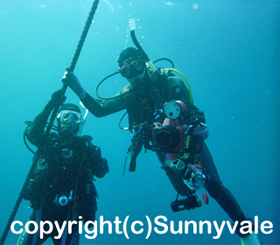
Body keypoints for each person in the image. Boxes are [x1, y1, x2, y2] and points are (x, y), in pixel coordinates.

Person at [62, 47, 260, 244]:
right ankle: (194, 191)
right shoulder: (129, 94)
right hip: (160, 145)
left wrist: (199, 125)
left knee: (214, 186)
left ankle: (246, 232)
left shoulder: (168, 80)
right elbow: (99, 109)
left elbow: (192, 110)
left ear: (144, 62)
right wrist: (77, 88)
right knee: (183, 190)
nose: (133, 75)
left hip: (187, 141)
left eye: (136, 66)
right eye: (126, 71)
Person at [17, 90, 109, 245]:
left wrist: (88, 149)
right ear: (58, 119)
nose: (70, 121)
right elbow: (32, 134)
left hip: (69, 217)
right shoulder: (47, 142)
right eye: (65, 116)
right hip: (41, 211)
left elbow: (101, 170)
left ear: (80, 123)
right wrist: (51, 106)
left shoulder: (85, 148)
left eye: (75, 118)